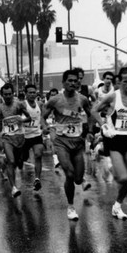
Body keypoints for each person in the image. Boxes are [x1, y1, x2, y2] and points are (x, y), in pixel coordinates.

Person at [91, 67, 127, 220]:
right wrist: (103, 125)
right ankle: (101, 149)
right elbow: (94, 111)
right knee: (122, 177)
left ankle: (117, 206)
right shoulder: (112, 97)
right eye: (126, 81)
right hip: (114, 138)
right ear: (120, 82)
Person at [42, 70, 91, 220]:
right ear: (63, 83)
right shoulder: (55, 100)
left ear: (78, 83)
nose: (72, 83)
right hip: (61, 142)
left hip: (77, 142)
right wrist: (46, 128)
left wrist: (89, 132)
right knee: (69, 174)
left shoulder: (82, 99)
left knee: (77, 178)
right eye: (69, 80)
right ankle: (70, 207)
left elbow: (91, 114)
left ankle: (80, 180)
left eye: (75, 81)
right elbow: (43, 117)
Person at [0, 83, 31, 197]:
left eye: (9, 94)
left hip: (19, 137)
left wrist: (21, 120)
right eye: (5, 94)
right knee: (11, 161)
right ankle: (13, 187)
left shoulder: (19, 105)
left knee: (17, 162)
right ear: (1, 95)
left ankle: (3, 169)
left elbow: (29, 118)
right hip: (7, 138)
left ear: (13, 94)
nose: (7, 96)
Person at [22, 84, 46, 191]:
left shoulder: (40, 104)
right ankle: (4, 169)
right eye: (30, 92)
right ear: (25, 94)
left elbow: (42, 118)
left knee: (38, 154)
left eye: (34, 92)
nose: (32, 94)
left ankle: (37, 179)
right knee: (21, 159)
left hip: (36, 134)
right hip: (24, 136)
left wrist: (45, 126)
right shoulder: (22, 104)